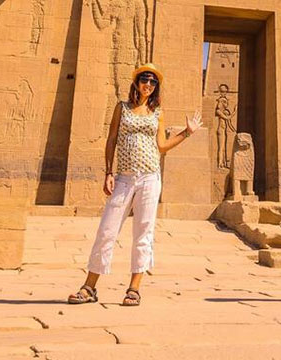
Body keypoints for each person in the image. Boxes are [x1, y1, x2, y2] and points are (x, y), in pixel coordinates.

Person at [68, 64, 202, 306]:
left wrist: (187, 133)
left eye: (153, 82)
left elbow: (161, 146)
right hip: (124, 177)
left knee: (143, 232)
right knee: (107, 231)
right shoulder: (122, 108)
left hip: (149, 177)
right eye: (144, 79)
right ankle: (89, 287)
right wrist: (108, 171)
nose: (148, 84)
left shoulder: (157, 112)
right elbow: (111, 139)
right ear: (137, 82)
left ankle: (134, 288)